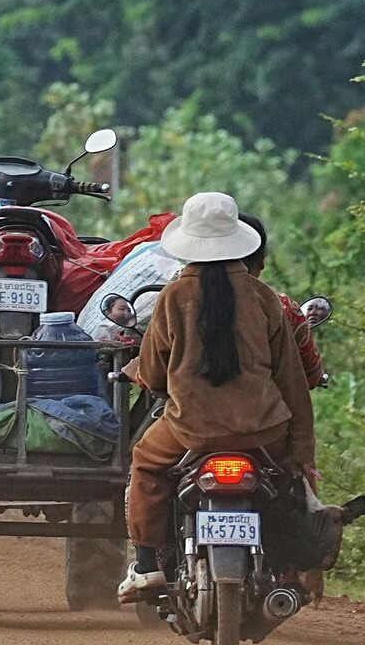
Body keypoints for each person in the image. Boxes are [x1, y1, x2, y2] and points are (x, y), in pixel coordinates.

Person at [117, 191, 317, 602]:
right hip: (264, 431)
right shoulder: (265, 298)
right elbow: (293, 383)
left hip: (191, 431)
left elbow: (153, 373)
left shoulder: (173, 296)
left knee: (146, 464)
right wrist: (302, 453)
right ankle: (292, 568)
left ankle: (147, 565)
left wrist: (152, 379)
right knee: (288, 485)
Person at [239, 214, 327, 388]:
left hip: (187, 412)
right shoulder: (282, 308)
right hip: (260, 412)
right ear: (261, 260)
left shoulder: (177, 303)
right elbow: (311, 372)